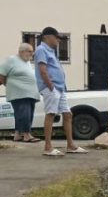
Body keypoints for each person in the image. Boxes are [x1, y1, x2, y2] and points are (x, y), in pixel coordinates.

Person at [35, 26, 87, 156]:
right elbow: (42, 70)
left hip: (60, 88)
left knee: (68, 114)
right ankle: (48, 147)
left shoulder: (52, 51)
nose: (58, 40)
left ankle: (71, 145)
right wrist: (50, 86)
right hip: (51, 88)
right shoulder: (41, 49)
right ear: (48, 37)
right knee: (51, 114)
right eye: (56, 37)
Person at [0, 43, 40, 143]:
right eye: (30, 51)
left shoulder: (26, 61)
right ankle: (27, 135)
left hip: (29, 93)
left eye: (32, 51)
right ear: (22, 51)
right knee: (24, 114)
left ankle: (17, 134)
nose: (32, 53)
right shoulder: (11, 60)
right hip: (19, 92)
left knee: (22, 114)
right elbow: (1, 74)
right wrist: (7, 84)